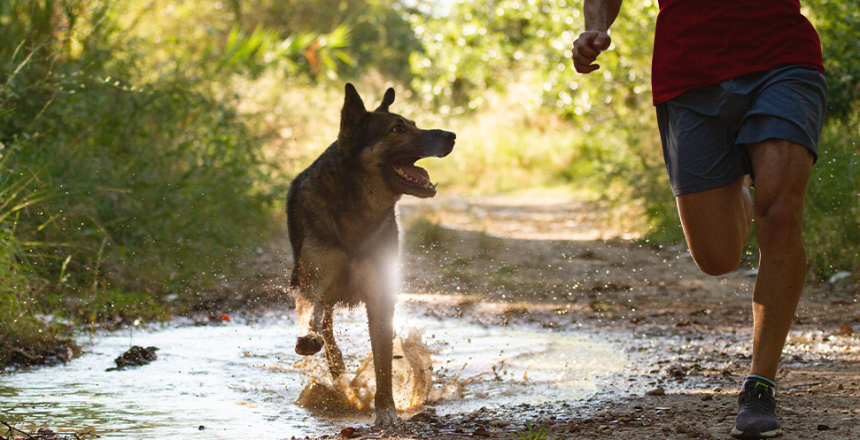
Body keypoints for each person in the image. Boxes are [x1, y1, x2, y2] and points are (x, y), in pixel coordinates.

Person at [572, 1, 827, 439]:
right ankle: (747, 176)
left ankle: (759, 385)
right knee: (717, 256)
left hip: (781, 56)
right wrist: (594, 27)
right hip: (687, 71)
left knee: (781, 215)